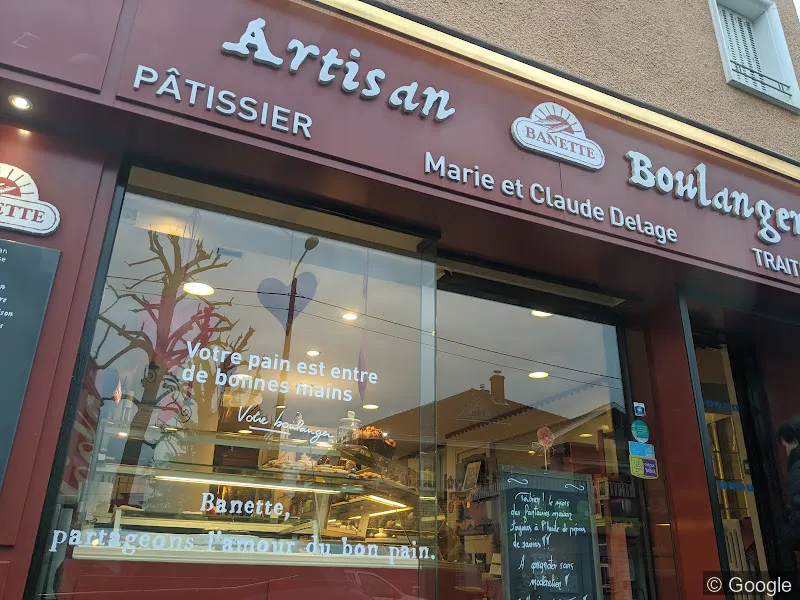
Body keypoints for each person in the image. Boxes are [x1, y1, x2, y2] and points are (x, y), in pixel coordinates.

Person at [777, 416, 800, 552]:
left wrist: (784, 536)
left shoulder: (797, 467)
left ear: (795, 441)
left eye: (786, 446)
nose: (786, 452)